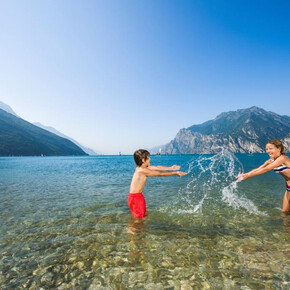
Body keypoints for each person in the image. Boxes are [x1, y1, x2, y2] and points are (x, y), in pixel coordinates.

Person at [128, 149, 187, 218]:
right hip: (136, 198)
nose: (150, 159)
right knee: (139, 219)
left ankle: (136, 228)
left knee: (142, 216)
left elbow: (157, 167)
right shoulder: (142, 171)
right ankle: (131, 228)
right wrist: (175, 173)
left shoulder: (141, 168)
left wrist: (171, 168)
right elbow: (160, 174)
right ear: (143, 160)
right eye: (148, 157)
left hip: (136, 197)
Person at [237, 139, 290, 213]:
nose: (268, 151)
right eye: (266, 149)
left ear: (279, 148)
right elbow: (260, 168)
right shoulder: (271, 160)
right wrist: (245, 174)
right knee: (284, 212)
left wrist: (248, 176)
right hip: (288, 187)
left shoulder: (283, 158)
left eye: (271, 148)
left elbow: (266, 169)